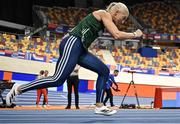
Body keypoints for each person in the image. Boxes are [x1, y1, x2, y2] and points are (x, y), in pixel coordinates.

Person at [6, 2, 143, 116]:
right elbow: (117, 35)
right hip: (72, 43)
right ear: (116, 12)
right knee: (57, 80)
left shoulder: (105, 18)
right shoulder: (104, 13)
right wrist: (134, 34)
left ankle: (99, 106)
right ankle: (19, 88)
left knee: (103, 71)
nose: (123, 21)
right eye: (123, 18)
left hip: (80, 49)